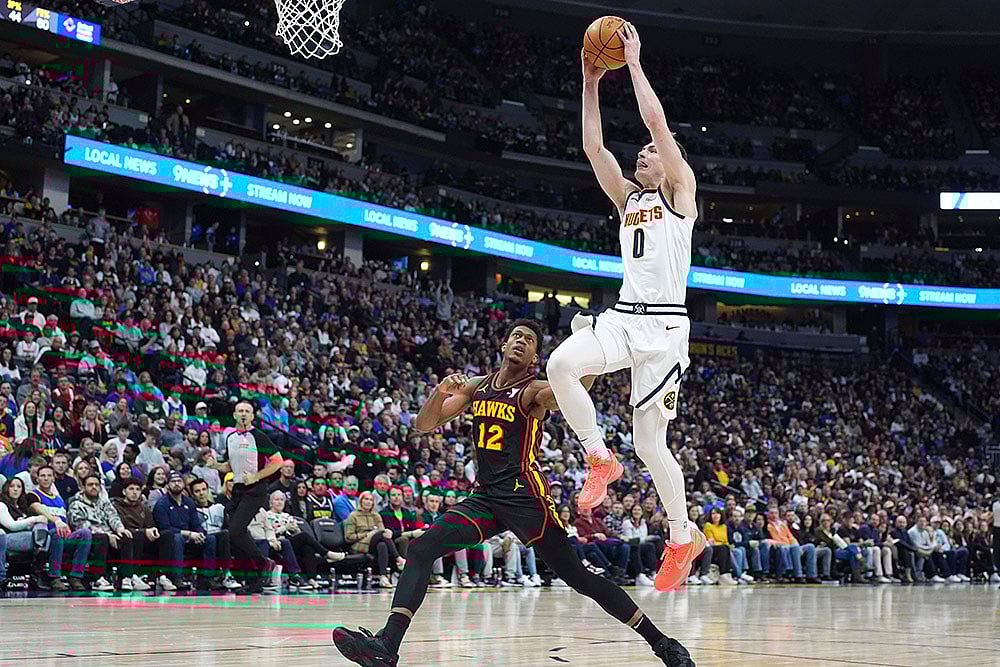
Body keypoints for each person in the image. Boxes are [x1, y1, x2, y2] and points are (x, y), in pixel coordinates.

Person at [333, 320, 694, 667]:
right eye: (516, 336)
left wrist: (589, 352)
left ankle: (662, 643)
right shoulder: (477, 387)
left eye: (530, 340)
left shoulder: (534, 391)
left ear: (535, 357)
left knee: (579, 578)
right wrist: (440, 391)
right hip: (486, 497)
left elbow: (575, 390)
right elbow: (424, 424)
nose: (521, 341)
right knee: (423, 547)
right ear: (504, 344)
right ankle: (387, 646)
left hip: (526, 497)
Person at [543, 23, 703, 593]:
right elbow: (593, 147)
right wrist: (589, 81)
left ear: (671, 160)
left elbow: (656, 124)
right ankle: (596, 457)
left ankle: (683, 536)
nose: (643, 152)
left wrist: (633, 64)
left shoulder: (679, 193)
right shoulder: (629, 199)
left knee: (651, 444)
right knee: (559, 364)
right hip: (624, 314)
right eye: (642, 151)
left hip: (664, 329)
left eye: (653, 151)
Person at [212, 401, 283, 594]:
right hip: (237, 489)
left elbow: (278, 461)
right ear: (234, 415)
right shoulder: (230, 437)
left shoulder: (258, 436)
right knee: (236, 535)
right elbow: (230, 465)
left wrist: (257, 476)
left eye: (247, 411)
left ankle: (264, 564)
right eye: (240, 411)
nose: (243, 414)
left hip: (255, 490)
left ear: (252, 416)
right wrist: (217, 466)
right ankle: (257, 574)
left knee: (235, 531)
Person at [26, 465, 93, 591]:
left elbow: (65, 520)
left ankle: (76, 576)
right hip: (46, 538)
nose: (46, 479)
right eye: (43, 476)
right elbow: (36, 507)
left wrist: (66, 526)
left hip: (64, 537)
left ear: (53, 479)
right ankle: (54, 577)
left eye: (49, 476)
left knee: (85, 533)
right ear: (37, 478)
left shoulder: (59, 499)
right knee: (57, 534)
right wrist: (56, 521)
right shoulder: (33, 495)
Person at [67, 474, 130, 591]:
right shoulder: (76, 504)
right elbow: (81, 525)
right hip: (89, 537)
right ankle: (97, 579)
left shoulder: (104, 502)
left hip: (108, 534)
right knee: (101, 538)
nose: (94, 487)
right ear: (83, 487)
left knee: (126, 535)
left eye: (96, 485)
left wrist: (119, 529)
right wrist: (107, 535)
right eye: (90, 485)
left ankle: (126, 577)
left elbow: (113, 516)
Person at [344, 491, 404, 589]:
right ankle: (398, 558)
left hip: (374, 544)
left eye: (371, 500)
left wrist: (387, 533)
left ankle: (383, 577)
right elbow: (348, 538)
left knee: (382, 545)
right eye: (366, 499)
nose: (368, 502)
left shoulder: (376, 516)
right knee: (381, 534)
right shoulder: (353, 515)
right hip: (358, 544)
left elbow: (383, 534)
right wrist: (367, 534)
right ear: (361, 501)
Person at [0, 477, 50, 591]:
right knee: (43, 533)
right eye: (12, 486)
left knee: (45, 532)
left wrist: (37, 520)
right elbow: (11, 525)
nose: (15, 489)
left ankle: (39, 554)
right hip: (6, 539)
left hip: (24, 539)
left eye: (19, 487)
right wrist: (34, 519)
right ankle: (36, 570)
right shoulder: (2, 505)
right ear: (6, 488)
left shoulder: (24, 508)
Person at [111, 478, 158, 591]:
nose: (134, 492)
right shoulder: (116, 506)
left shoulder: (144, 508)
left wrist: (154, 531)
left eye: (137, 489)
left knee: (167, 535)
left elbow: (150, 526)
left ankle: (163, 576)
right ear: (124, 492)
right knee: (135, 535)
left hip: (143, 538)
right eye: (131, 489)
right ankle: (130, 576)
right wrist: (142, 532)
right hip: (123, 537)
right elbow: (121, 528)